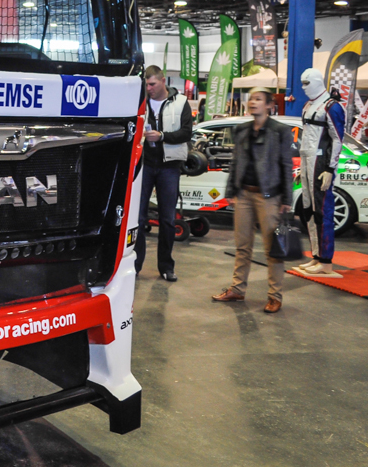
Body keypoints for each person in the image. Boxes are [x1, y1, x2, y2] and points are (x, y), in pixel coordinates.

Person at [212, 87, 294, 313]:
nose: (253, 102)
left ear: (269, 105)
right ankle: (237, 289)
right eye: (251, 99)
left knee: (272, 249)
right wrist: (231, 191)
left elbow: (286, 165)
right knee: (242, 246)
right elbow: (235, 162)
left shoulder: (280, 131)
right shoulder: (242, 129)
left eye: (258, 99)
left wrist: (287, 198)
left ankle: (275, 296)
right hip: (244, 195)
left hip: (269, 196)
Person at [135, 66, 193, 281]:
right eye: (146, 84)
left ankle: (166, 267)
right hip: (144, 166)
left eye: (152, 84)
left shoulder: (181, 102)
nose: (149, 88)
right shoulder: (140, 103)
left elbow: (186, 133)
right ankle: (135, 266)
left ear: (162, 81)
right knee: (138, 219)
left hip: (169, 166)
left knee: (167, 219)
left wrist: (161, 136)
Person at [292, 67, 345, 277]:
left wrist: (330, 168)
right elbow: (306, 137)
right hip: (307, 162)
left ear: (316, 81)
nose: (304, 87)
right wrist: (301, 167)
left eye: (307, 83)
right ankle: (317, 255)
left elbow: (338, 139)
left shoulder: (331, 106)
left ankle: (326, 260)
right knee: (308, 210)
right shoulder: (308, 105)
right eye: (302, 83)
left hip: (320, 164)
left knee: (323, 211)